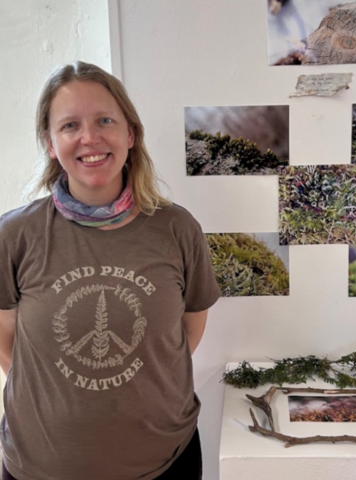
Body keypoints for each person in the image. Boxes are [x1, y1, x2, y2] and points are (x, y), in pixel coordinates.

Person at [0, 61, 220, 480]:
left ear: (130, 134)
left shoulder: (177, 229)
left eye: (105, 120)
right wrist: (67, 392)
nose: (90, 138)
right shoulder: (14, 234)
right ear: (50, 142)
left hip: (163, 463)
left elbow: (186, 332)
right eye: (69, 126)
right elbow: (7, 343)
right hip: (40, 468)